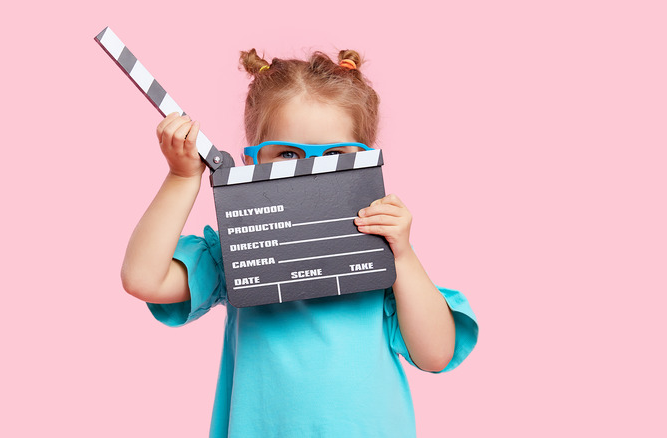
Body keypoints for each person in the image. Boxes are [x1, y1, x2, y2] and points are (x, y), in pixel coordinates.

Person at [121, 48, 479, 437]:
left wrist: (403, 257)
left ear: (366, 161)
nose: (309, 172)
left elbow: (435, 354)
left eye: (336, 154)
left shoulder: (379, 253)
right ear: (253, 161)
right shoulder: (242, 248)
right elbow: (143, 278)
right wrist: (181, 177)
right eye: (288, 154)